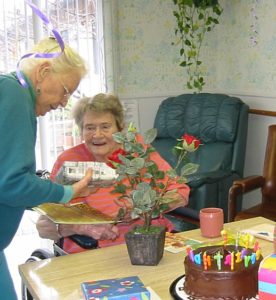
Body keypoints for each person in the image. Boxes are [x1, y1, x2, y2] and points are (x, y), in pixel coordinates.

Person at [0, 37, 99, 300]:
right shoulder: (14, 94)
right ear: (44, 72)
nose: (65, 102)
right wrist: (67, 192)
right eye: (66, 90)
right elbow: (11, 184)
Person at [36, 93, 190, 253]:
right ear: (80, 130)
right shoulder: (69, 161)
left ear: (119, 128)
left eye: (105, 127)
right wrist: (80, 227)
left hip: (152, 243)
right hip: (95, 250)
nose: (97, 135)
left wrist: (141, 208)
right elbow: (43, 226)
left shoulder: (137, 151)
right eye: (89, 127)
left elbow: (180, 193)